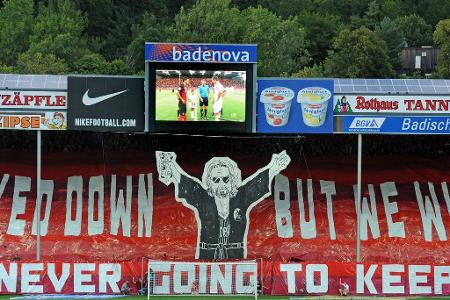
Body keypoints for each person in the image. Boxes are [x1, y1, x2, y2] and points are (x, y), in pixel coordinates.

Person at [155, 150, 291, 260]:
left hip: (235, 257)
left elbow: (257, 183)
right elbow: (188, 183)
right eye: (216, 180)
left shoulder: (241, 197)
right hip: (207, 257)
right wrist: (170, 166)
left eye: (226, 179)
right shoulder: (203, 198)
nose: (221, 185)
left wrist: (274, 166)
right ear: (209, 182)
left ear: (233, 181)